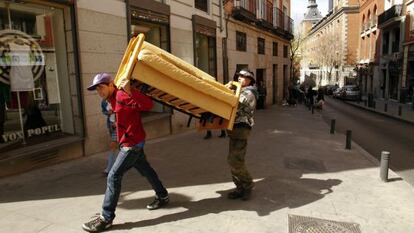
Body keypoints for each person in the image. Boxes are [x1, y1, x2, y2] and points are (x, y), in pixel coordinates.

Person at [82, 73, 169, 232]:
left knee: (113, 176)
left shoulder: (122, 95)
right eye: (97, 89)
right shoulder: (111, 98)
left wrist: (130, 91)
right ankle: (162, 195)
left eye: (101, 87)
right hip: (130, 141)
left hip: (132, 144)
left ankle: (106, 218)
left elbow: (148, 105)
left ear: (110, 85)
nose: (99, 92)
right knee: (147, 170)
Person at [225, 68, 258, 201]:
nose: (239, 78)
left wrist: (227, 89)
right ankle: (239, 187)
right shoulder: (240, 90)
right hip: (234, 128)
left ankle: (248, 184)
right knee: (232, 160)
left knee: (236, 160)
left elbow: (235, 102)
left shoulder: (250, 92)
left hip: (242, 128)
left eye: (243, 76)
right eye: (238, 76)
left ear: (249, 80)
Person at [101, 99, 117, 176]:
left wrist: (117, 122)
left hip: (118, 126)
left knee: (113, 145)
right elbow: (103, 111)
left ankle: (109, 168)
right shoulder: (104, 102)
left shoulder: (117, 99)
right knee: (117, 146)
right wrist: (108, 113)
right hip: (111, 125)